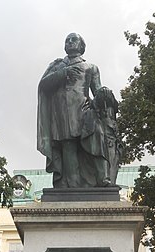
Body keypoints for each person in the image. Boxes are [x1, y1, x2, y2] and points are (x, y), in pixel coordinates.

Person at [37, 33, 119, 188]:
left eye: (73, 40)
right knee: (68, 146)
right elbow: (43, 85)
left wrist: (105, 94)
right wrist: (63, 73)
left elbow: (97, 89)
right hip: (61, 114)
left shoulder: (91, 67)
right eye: (67, 40)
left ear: (82, 46)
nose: (69, 42)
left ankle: (103, 178)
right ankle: (72, 185)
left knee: (97, 136)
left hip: (84, 109)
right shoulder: (57, 66)